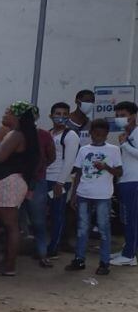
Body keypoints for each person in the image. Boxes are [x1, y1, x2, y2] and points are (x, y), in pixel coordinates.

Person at [0, 102, 41, 277]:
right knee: (9, 225)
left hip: (8, 183)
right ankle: (6, 262)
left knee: (11, 226)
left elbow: (0, 157)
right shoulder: (17, 134)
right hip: (9, 182)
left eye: (8, 112)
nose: (4, 115)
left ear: (17, 116)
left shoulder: (16, 135)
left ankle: (9, 266)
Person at [66, 119, 122, 275]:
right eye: (95, 134)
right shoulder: (84, 150)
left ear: (106, 135)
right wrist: (74, 194)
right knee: (82, 228)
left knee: (104, 229)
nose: (98, 137)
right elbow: (78, 173)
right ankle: (79, 259)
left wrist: (106, 167)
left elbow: (119, 172)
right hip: (84, 193)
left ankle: (104, 263)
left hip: (103, 195)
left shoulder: (113, 150)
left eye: (102, 134)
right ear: (90, 134)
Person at [46, 102, 80, 259]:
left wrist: (60, 183)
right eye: (58, 114)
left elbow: (70, 161)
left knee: (57, 214)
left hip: (59, 180)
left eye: (65, 114)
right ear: (51, 116)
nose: (61, 117)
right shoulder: (49, 133)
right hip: (45, 178)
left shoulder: (71, 135)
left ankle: (54, 248)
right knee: (45, 214)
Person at [22, 112, 57, 268]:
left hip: (35, 181)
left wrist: (40, 169)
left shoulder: (42, 135)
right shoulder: (16, 135)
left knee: (38, 221)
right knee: (18, 220)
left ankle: (42, 253)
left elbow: (51, 156)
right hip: (22, 180)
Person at [111, 101, 138, 267]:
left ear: (133, 116)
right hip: (125, 180)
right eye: (117, 116)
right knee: (125, 218)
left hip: (134, 182)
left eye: (123, 116)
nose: (120, 119)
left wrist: (125, 145)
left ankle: (129, 255)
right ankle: (127, 249)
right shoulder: (125, 135)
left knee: (131, 219)